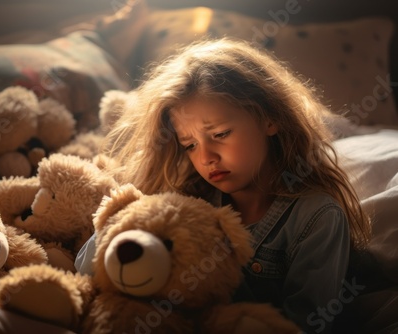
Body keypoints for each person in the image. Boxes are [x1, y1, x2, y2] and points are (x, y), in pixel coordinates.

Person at [75, 38, 371, 333]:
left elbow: (307, 324)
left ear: (270, 118)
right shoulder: (187, 200)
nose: (206, 158)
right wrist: (132, 216)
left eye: (220, 134)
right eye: (189, 145)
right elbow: (88, 267)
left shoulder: (316, 217)